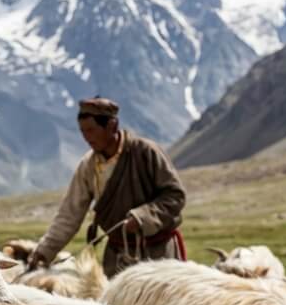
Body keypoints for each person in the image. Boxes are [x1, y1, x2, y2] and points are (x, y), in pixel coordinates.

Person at [29, 97, 186, 278]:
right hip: (118, 256)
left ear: (112, 126)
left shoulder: (146, 152)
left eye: (91, 130)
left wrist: (143, 217)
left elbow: (176, 196)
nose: (86, 137)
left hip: (158, 254)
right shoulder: (88, 166)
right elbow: (69, 215)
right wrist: (44, 251)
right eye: (82, 131)